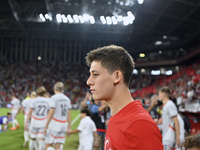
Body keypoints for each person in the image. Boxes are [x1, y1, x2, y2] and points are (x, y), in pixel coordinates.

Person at [85, 45, 163, 150]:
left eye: (95, 74)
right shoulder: (117, 116)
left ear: (117, 76)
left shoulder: (140, 125)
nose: (88, 81)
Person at [44, 82, 71, 150]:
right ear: (62, 89)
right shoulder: (67, 99)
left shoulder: (54, 98)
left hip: (55, 124)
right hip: (64, 124)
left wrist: (46, 125)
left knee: (48, 145)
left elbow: (51, 113)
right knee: (58, 146)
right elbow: (69, 114)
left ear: (54, 88)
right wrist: (69, 127)